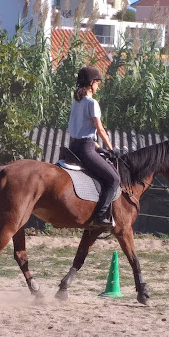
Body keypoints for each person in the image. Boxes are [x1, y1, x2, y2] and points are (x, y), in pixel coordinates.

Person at [68, 66, 120, 229]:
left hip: (73, 146)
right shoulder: (92, 103)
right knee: (114, 179)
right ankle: (100, 216)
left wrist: (99, 147)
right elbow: (99, 129)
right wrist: (111, 148)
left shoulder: (77, 102)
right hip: (85, 149)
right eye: (98, 83)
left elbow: (83, 130)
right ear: (91, 83)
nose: (99, 86)